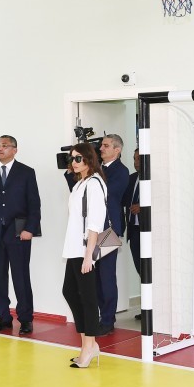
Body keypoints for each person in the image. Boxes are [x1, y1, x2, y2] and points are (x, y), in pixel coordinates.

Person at [0, 135, 42, 335]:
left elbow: (34, 204)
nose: (0, 149)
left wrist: (30, 228)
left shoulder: (26, 172)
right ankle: (3, 317)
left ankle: (26, 318)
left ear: (15, 150)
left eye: (4, 146)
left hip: (18, 233)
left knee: (21, 277)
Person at [61, 143, 106, 368]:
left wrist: (89, 256)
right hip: (73, 249)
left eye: (78, 158)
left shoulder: (95, 184)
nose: (74, 162)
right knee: (70, 292)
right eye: (72, 158)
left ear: (89, 158)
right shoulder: (80, 183)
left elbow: (95, 223)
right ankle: (88, 344)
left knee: (88, 298)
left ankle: (89, 347)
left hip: (83, 250)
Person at [93, 134, 129, 335]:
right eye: (101, 145)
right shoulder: (96, 169)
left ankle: (108, 319)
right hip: (92, 228)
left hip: (109, 229)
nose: (101, 148)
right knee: (95, 277)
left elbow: (107, 193)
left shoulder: (121, 171)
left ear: (117, 150)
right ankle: (101, 316)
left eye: (106, 145)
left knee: (106, 276)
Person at [122, 147, 141, 320]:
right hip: (134, 232)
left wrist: (142, 208)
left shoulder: (154, 179)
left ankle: (155, 311)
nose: (136, 162)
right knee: (141, 270)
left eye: (139, 158)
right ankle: (147, 309)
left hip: (149, 232)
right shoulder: (131, 178)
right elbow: (122, 200)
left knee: (152, 272)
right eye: (134, 159)